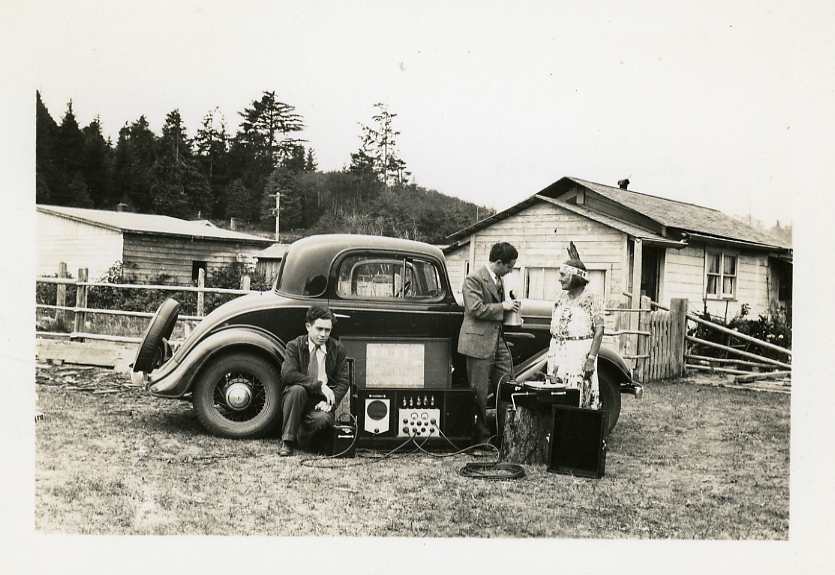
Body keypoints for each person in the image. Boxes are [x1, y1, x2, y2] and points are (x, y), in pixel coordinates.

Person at [457, 242, 520, 443]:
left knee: (507, 385)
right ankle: (481, 439)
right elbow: (475, 309)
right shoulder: (473, 279)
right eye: (509, 267)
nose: (510, 272)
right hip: (478, 344)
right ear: (499, 263)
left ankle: (505, 436)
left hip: (497, 343)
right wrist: (503, 306)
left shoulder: (500, 280)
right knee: (479, 394)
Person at [278, 305, 350, 456]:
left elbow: (343, 381)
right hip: (297, 399)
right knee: (297, 390)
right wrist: (319, 385)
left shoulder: (337, 349)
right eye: (319, 329)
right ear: (308, 326)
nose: (323, 334)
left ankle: (301, 438)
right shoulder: (294, 346)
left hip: (319, 402)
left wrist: (331, 401)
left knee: (323, 419)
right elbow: (287, 374)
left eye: (327, 330)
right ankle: (287, 442)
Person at [546, 243, 605, 409]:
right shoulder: (560, 298)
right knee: (555, 394)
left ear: (574, 277)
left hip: (579, 355)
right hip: (557, 353)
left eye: (563, 275)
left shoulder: (593, 300)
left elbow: (599, 332)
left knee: (578, 396)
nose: (559, 279)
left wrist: (591, 360)